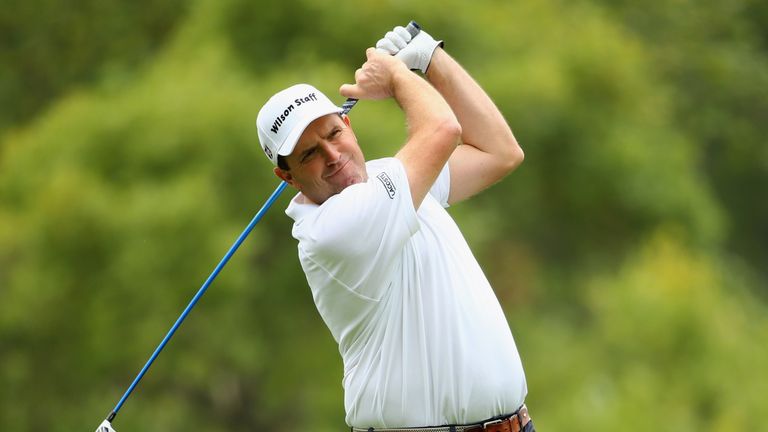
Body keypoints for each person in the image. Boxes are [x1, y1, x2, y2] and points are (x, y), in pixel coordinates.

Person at [256, 24, 533, 432]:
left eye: (333, 133)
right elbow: (443, 130)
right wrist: (398, 75)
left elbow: (500, 152)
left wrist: (429, 58)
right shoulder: (333, 230)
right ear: (288, 177)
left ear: (348, 126)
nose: (332, 155)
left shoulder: (391, 178)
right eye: (310, 153)